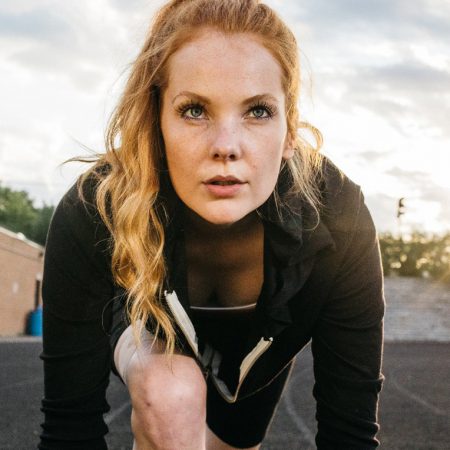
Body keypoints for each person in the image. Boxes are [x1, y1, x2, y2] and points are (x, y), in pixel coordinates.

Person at [39, 0, 385, 449]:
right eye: (194, 110)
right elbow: (69, 431)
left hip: (251, 384)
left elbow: (351, 436)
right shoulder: (96, 207)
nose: (226, 146)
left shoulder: (338, 216)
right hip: (159, 360)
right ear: (156, 120)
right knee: (171, 392)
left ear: (290, 132)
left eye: (257, 111)